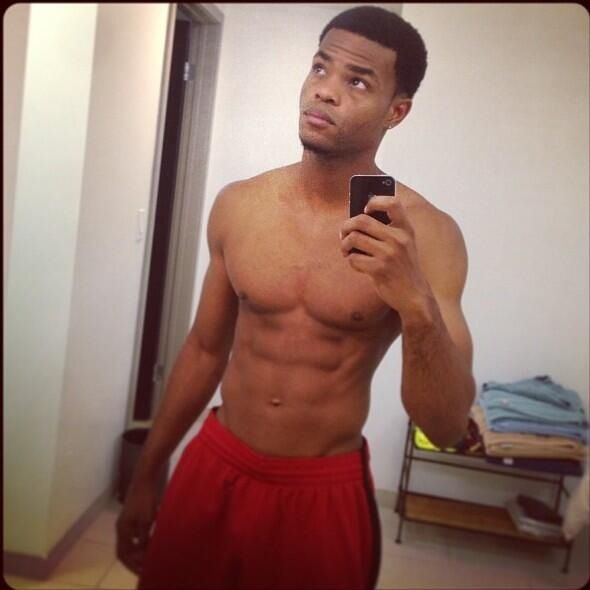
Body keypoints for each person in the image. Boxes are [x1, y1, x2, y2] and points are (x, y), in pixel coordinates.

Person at [116, 5, 475, 589]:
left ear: (397, 111)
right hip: (215, 462)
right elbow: (204, 351)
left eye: (357, 81)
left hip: (321, 492)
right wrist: (147, 473)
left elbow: (447, 424)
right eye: (320, 67)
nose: (325, 90)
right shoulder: (240, 205)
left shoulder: (428, 236)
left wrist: (416, 304)